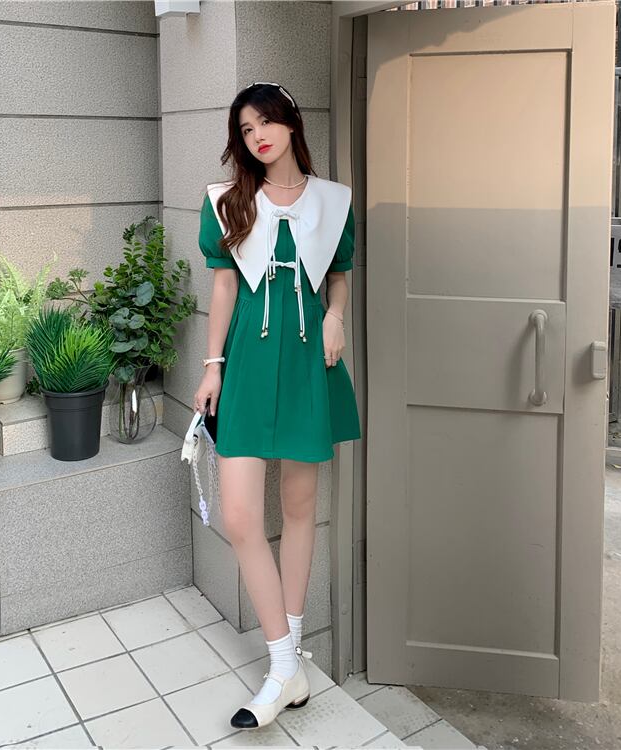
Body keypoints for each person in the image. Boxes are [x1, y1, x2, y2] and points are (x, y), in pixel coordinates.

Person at [192, 81, 362, 730]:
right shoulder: (228, 200)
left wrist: (336, 317)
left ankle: (287, 672)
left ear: (292, 123)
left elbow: (338, 275)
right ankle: (286, 662)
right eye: (246, 128)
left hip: (309, 359)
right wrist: (212, 367)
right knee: (240, 516)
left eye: (266, 121)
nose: (258, 135)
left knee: (298, 509)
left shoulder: (333, 202)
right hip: (249, 363)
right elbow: (224, 287)